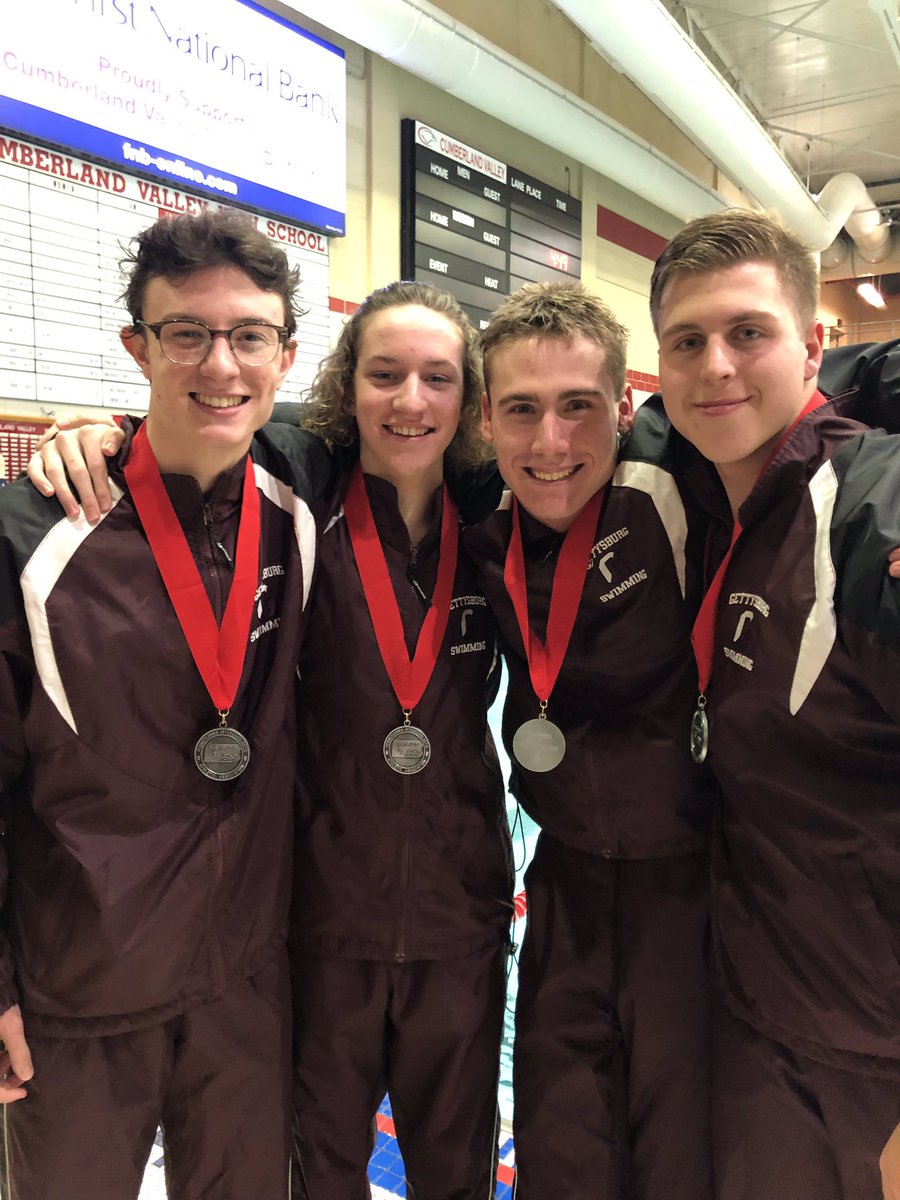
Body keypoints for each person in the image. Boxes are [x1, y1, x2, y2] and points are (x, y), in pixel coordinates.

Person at [0, 207, 335, 1199]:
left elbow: (428, 418)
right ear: (136, 348)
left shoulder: (300, 487)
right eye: (186, 333)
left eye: (249, 336)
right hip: (81, 989)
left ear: (285, 356)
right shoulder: (32, 534)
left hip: (245, 981)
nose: (220, 365)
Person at [649, 208, 900, 1200]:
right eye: (687, 341)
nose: (715, 365)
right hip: (755, 1005)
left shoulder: (872, 505)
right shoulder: (712, 490)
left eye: (747, 332)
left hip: (864, 1054)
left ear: (813, 346)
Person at [463, 280, 716, 1199]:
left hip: (697, 884)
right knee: (560, 1140)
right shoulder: (472, 503)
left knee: (680, 1155)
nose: (551, 443)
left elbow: (834, 389)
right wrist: (115, 434)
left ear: (625, 406)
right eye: (522, 410)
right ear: (485, 420)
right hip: (565, 875)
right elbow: (313, 436)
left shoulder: (688, 476)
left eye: (578, 406)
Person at [286, 282, 512, 1198]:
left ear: (469, 398)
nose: (410, 401)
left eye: (437, 378)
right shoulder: (300, 514)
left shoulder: (497, 525)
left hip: (460, 917)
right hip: (320, 916)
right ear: (347, 387)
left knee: (454, 1172)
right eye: (384, 375)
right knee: (319, 1167)